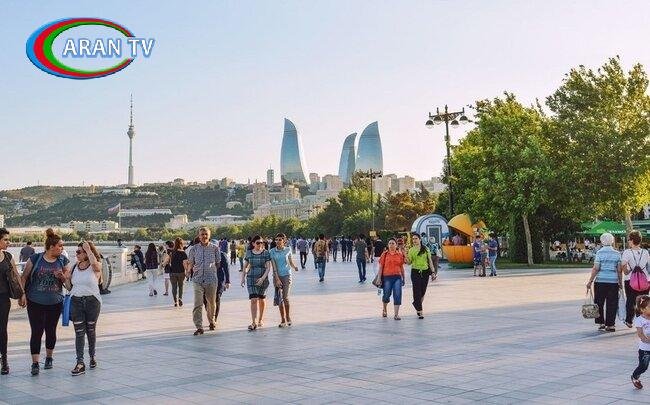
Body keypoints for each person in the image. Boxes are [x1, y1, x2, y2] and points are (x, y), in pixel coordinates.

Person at [19, 228, 70, 376]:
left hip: (55, 302)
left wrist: (62, 277)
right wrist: (22, 294)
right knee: (36, 331)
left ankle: (49, 358)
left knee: (50, 330)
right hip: (35, 301)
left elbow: (68, 285)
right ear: (51, 247)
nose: (62, 248)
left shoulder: (63, 260)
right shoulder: (35, 259)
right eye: (60, 246)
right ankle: (35, 363)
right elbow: (24, 277)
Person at [67, 241, 103, 376]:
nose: (76, 254)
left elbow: (95, 266)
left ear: (87, 253)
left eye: (79, 252)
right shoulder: (74, 267)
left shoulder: (96, 265)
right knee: (79, 332)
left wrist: (88, 250)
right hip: (76, 301)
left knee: (91, 330)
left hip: (92, 302)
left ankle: (92, 356)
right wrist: (64, 278)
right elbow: (70, 287)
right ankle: (80, 363)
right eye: (76, 251)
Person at [184, 227, 221, 335]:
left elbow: (218, 263)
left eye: (206, 234)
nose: (204, 236)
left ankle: (211, 321)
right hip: (197, 279)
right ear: (199, 236)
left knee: (211, 303)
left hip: (211, 279)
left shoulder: (215, 248)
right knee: (198, 303)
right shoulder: (194, 249)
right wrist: (189, 270)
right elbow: (191, 262)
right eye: (202, 234)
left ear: (209, 236)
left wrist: (212, 266)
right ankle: (199, 326)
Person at [586, 232, 623, 332]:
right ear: (612, 241)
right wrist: (620, 282)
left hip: (600, 281)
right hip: (613, 282)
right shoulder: (617, 254)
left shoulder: (599, 253)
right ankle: (610, 325)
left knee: (599, 302)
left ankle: (601, 323)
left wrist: (590, 281)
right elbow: (619, 270)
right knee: (612, 303)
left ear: (602, 241)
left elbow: (596, 268)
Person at [0, 228, 22, 375]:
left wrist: (22, 294)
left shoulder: (8, 257)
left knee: (2, 329)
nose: (9, 242)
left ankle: (4, 360)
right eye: (6, 240)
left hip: (3, 298)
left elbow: (16, 275)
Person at [241, 235, 271, 331]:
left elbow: (268, 268)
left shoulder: (266, 253)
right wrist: (243, 278)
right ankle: (253, 322)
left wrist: (262, 278)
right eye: (258, 243)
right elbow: (245, 266)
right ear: (253, 243)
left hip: (263, 279)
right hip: (251, 278)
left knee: (261, 299)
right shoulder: (249, 253)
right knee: (253, 299)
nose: (260, 244)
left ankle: (260, 319)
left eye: (262, 243)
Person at [270, 233, 298, 327]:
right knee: (279, 298)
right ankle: (282, 319)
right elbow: (274, 266)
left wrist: (294, 267)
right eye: (276, 240)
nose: (278, 241)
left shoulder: (288, 249)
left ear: (284, 240)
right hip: (277, 276)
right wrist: (277, 278)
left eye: (280, 240)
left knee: (285, 297)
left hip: (287, 275)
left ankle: (288, 317)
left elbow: (290, 261)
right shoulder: (272, 251)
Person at [622, 230, 649, 328]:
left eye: (629, 239)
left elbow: (623, 265)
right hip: (645, 280)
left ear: (632, 240)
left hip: (630, 280)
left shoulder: (627, 252)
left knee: (630, 300)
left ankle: (629, 321)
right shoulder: (645, 252)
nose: (628, 241)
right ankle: (643, 321)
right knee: (643, 301)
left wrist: (627, 271)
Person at [373, 238, 405, 320]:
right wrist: (379, 278)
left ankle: (396, 314)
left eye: (393, 243)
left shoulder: (399, 254)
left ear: (396, 245)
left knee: (397, 295)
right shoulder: (384, 254)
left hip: (397, 277)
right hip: (387, 277)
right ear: (388, 245)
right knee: (386, 295)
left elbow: (401, 267)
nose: (391, 245)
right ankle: (384, 309)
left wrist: (403, 278)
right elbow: (381, 267)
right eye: (390, 243)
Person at [406, 233, 436, 319]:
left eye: (416, 238)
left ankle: (417, 304)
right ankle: (420, 310)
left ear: (420, 239)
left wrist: (433, 272)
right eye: (413, 239)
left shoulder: (426, 249)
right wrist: (405, 256)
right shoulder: (411, 250)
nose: (414, 240)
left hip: (425, 272)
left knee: (422, 292)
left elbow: (430, 261)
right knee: (417, 292)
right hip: (415, 272)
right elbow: (409, 263)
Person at [631, 295, 650, 389]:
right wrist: (648, 340)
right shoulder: (639, 320)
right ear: (642, 309)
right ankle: (635, 376)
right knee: (643, 367)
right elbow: (641, 335)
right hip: (645, 349)